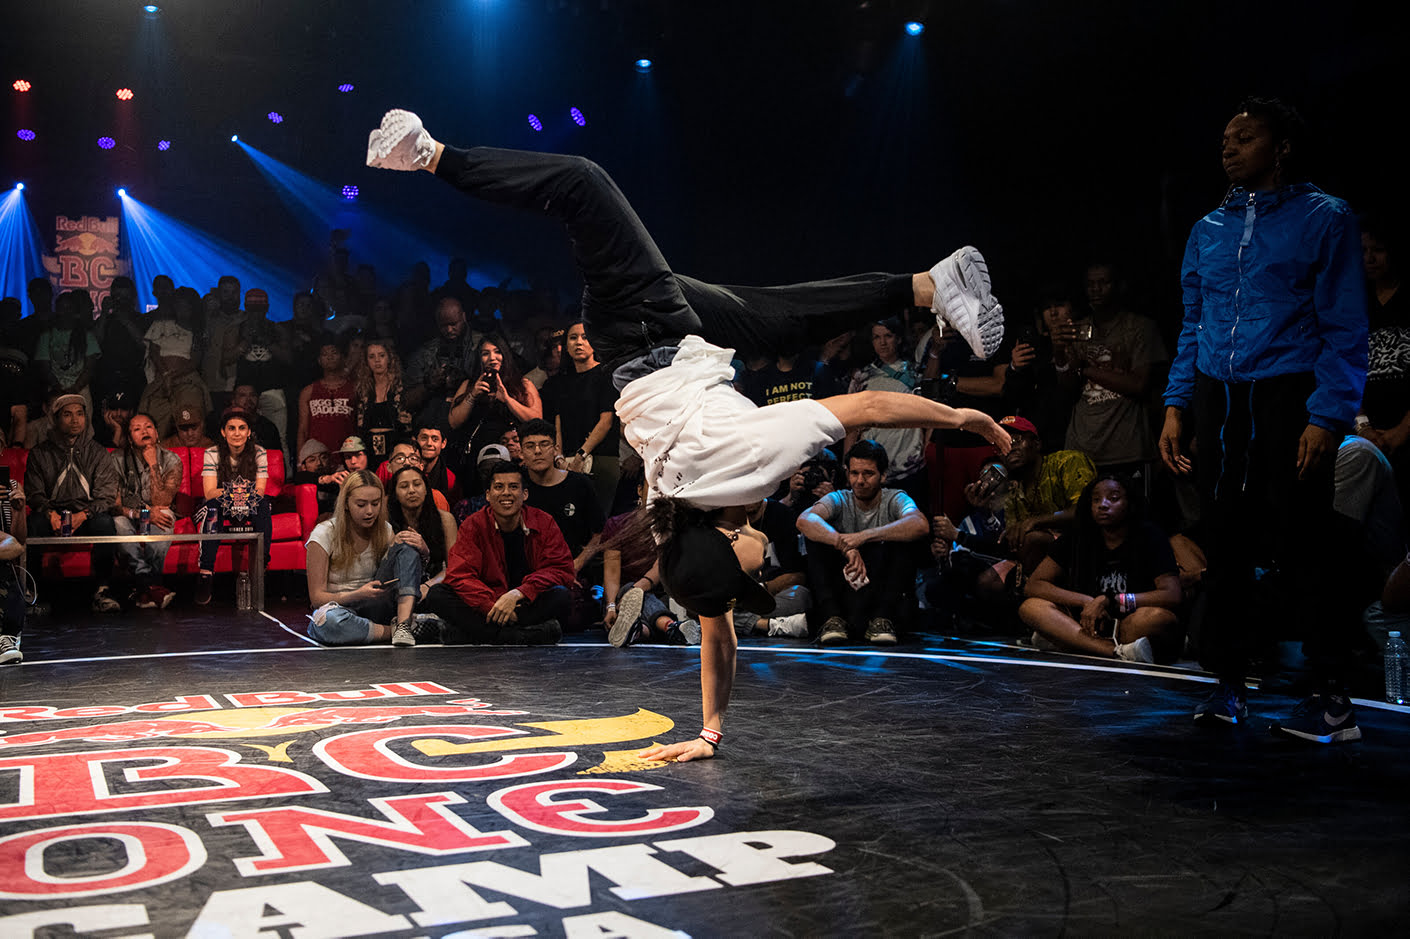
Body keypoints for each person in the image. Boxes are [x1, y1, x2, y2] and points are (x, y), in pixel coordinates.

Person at [367, 108, 1007, 761]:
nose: (759, 543)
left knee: (585, 183)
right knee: (781, 325)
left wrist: (961, 418)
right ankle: (930, 284)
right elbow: (716, 628)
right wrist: (708, 732)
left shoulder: (752, 464)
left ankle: (432, 152)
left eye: (746, 546)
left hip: (652, 329)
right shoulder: (673, 521)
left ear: (728, 534)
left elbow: (869, 403)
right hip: (664, 346)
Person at [1159, 98, 1368, 742]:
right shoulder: (1207, 229)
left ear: (1280, 148)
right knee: (1223, 543)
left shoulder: (1324, 219)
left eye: (1245, 138)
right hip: (1220, 401)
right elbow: (1193, 323)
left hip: (1290, 397)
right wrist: (1176, 404)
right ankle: (1227, 685)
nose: (1228, 148)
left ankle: (1331, 696)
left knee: (1304, 542)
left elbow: (1345, 326)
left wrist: (1327, 414)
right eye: (1225, 138)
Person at [1019, 475, 1183, 663]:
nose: (1102, 505)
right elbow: (1034, 585)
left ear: (1129, 503)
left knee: (1157, 618)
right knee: (1031, 607)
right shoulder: (1078, 535)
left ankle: (1069, 641)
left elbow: (1172, 594)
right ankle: (1115, 652)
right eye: (1096, 499)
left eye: (1113, 498)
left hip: (1128, 621)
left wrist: (1111, 601)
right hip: (1087, 622)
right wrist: (1086, 602)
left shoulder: (1150, 535)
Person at [417, 460, 576, 644]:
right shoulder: (473, 525)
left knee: (561, 595)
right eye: (499, 487)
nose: (506, 493)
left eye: (513, 487)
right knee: (438, 594)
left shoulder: (544, 521)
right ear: (488, 495)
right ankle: (517, 635)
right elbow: (459, 576)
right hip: (487, 603)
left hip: (524, 602)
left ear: (524, 494)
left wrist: (518, 593)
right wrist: (493, 605)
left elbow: (561, 569)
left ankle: (474, 634)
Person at [798, 439, 930, 645]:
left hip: (881, 591)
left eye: (868, 474)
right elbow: (805, 520)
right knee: (816, 537)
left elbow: (919, 524)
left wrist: (864, 536)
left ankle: (882, 619)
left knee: (904, 537)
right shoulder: (840, 499)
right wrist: (845, 547)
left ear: (883, 475)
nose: (860, 481)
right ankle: (832, 619)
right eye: (854, 473)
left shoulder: (895, 499)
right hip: (845, 589)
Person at [23, 394, 123, 613]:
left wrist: (84, 514)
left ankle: (102, 590)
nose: (75, 420)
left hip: (86, 514)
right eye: (67, 415)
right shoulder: (40, 453)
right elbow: (34, 492)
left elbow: (105, 495)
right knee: (33, 524)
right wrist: (50, 513)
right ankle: (32, 593)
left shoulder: (97, 452)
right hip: (52, 514)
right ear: (56, 419)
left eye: (79, 414)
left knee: (105, 524)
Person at [304, 471, 423, 647]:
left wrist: (424, 552)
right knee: (329, 623)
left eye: (375, 504)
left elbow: (404, 568)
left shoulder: (385, 529)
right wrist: (358, 594)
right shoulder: (323, 534)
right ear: (346, 504)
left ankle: (404, 625)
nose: (369, 511)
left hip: (376, 604)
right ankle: (396, 631)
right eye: (361, 505)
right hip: (341, 607)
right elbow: (316, 598)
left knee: (406, 545)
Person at [194, 407, 273, 606]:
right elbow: (210, 493)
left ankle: (261, 568)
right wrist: (239, 490)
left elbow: (260, 492)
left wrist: (235, 492)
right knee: (211, 508)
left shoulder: (259, 453)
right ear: (223, 432)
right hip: (220, 504)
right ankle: (206, 575)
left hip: (246, 503)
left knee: (262, 505)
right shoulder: (212, 453)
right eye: (231, 428)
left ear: (248, 432)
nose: (237, 433)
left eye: (241, 428)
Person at [540, 321, 620, 509]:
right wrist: (558, 456)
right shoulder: (561, 381)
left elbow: (606, 421)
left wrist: (581, 454)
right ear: (566, 346)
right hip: (566, 461)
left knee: (599, 520)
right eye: (573, 338)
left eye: (585, 337)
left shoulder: (605, 374)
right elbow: (558, 421)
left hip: (600, 458)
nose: (579, 342)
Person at [112, 412, 183, 610]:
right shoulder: (116, 459)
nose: (144, 431)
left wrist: (153, 464)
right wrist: (138, 514)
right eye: (137, 429)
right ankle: (151, 584)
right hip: (128, 514)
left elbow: (162, 501)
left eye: (148, 426)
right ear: (129, 437)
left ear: (157, 432)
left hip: (156, 513)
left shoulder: (172, 459)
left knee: (167, 516)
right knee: (117, 522)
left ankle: (145, 588)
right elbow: (113, 504)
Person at [449, 335, 543, 456]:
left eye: (497, 352)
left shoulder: (522, 383)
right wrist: (472, 395)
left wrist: (507, 400)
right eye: (485, 353)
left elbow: (536, 420)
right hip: (479, 454)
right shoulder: (469, 384)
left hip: (514, 453)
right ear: (479, 358)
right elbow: (453, 422)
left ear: (505, 355)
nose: (492, 358)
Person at [387, 464, 458, 599]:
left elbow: (453, 569)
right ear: (395, 493)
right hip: (395, 587)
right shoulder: (386, 520)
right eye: (404, 486)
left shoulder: (445, 519)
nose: (411, 490)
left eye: (417, 484)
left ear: (426, 489)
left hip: (433, 586)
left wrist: (427, 586)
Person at [353, 339, 412, 466]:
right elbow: (360, 426)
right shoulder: (364, 390)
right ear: (366, 361)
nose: (377, 360)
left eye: (381, 355)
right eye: (372, 357)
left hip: (397, 448)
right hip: (370, 450)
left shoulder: (399, 387)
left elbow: (408, 424)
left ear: (389, 358)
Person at [297, 335, 358, 455]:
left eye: (334, 353)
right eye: (325, 354)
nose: (330, 357)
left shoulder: (354, 389)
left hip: (348, 455)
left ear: (342, 357)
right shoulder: (308, 391)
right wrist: (301, 460)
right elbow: (303, 430)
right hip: (317, 458)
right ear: (319, 360)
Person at [0, 478, 29, 663]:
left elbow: (18, 543)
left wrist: (19, 511)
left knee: (7, 577)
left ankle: (5, 638)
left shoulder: (12, 486)